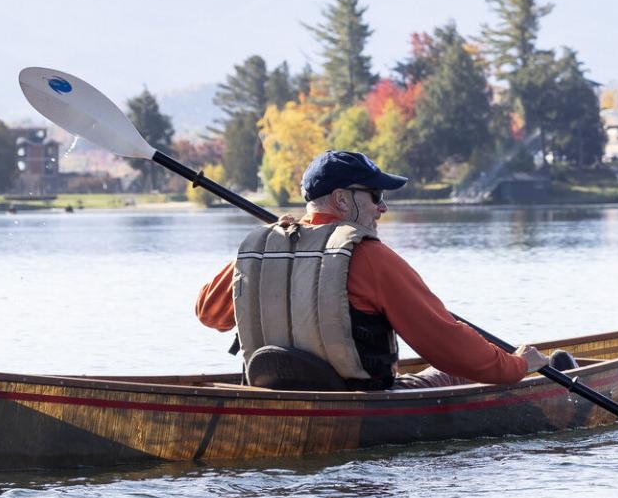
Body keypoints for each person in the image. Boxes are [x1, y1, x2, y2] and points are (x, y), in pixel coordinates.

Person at [195, 149, 549, 390]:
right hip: (357, 400)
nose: (383, 207)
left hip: (272, 394)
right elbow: (446, 342)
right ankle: (551, 364)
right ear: (341, 200)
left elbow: (209, 314)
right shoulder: (371, 258)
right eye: (376, 196)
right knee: (453, 373)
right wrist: (516, 366)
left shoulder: (262, 249)